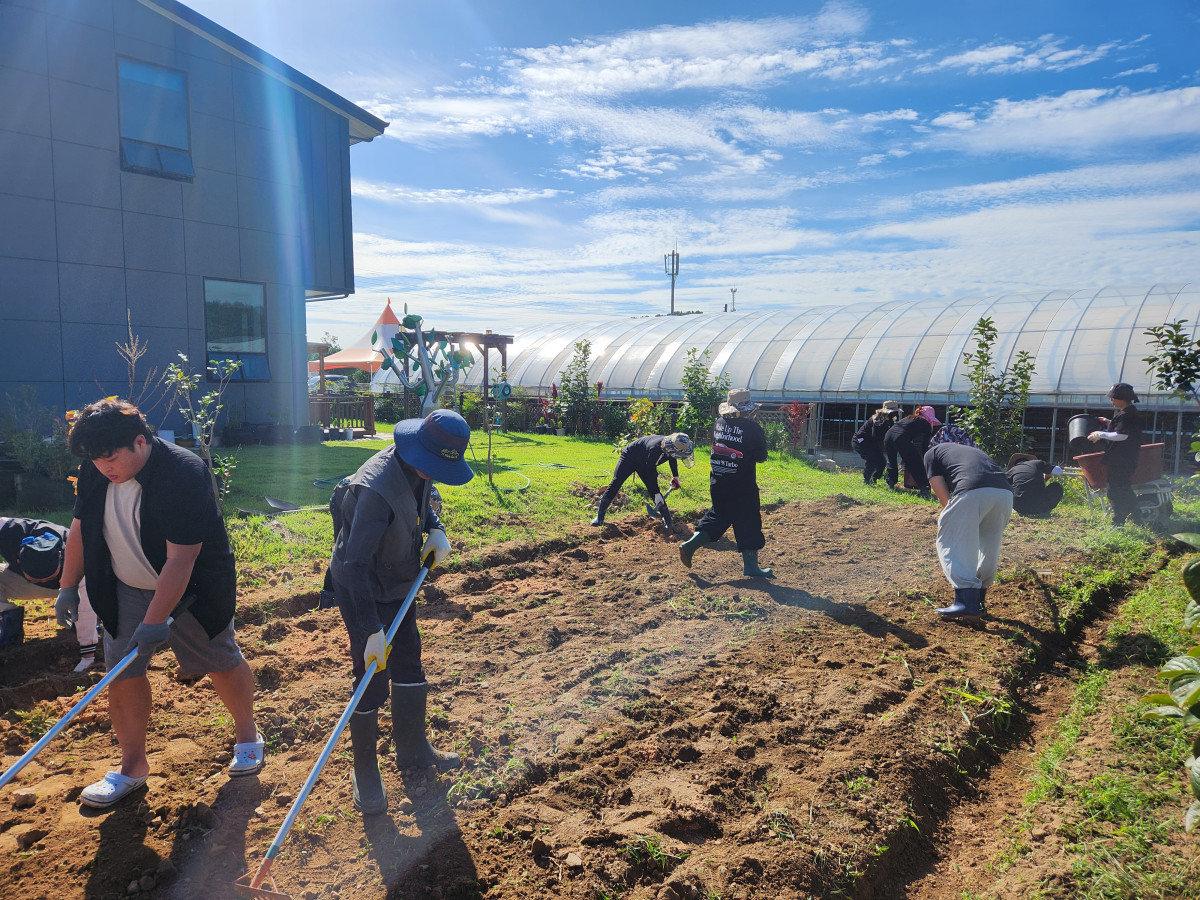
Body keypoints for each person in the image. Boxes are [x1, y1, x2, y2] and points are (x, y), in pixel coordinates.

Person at [56, 399, 262, 809]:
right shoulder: (96, 469)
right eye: (95, 461)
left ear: (140, 441)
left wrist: (155, 623)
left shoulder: (183, 473)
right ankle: (132, 766)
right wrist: (67, 585)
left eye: (111, 458)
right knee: (124, 673)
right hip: (125, 586)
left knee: (219, 660)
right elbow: (79, 527)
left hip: (192, 588)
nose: (104, 468)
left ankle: (247, 733)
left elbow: (181, 559)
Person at [327, 409, 473, 815]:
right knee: (371, 675)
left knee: (409, 657)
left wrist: (435, 526)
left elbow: (420, 501)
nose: (434, 473)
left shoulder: (416, 464)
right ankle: (365, 769)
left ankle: (412, 749)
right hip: (364, 589)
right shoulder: (374, 491)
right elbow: (354, 566)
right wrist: (369, 628)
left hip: (400, 580)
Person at [678, 389, 772, 577]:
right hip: (742, 485)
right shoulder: (752, 428)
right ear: (746, 409)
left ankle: (690, 545)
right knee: (748, 520)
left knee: (719, 515)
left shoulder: (719, 423)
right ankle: (751, 566)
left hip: (718, 481)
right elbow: (761, 457)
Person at [924, 428, 1014, 620]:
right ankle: (979, 601)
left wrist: (951, 517)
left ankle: (965, 602)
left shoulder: (933, 452)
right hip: (1004, 494)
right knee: (988, 546)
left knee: (951, 541)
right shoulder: (975, 452)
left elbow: (939, 488)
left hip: (973, 491)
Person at [0, 517, 99, 671]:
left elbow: (86, 605)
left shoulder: (78, 551)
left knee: (93, 588)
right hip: (21, 582)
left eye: (49, 577)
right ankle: (11, 626)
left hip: (74, 583)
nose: (44, 580)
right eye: (36, 578)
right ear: (18, 561)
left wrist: (88, 655)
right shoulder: (8, 532)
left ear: (60, 557)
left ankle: (90, 618)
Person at [591, 433, 694, 528]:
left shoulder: (671, 447)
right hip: (630, 457)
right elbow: (651, 472)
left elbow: (672, 458)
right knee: (616, 482)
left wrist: (675, 476)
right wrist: (657, 493)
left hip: (644, 461)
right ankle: (599, 517)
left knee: (652, 488)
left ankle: (667, 519)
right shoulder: (656, 449)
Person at [1087, 383, 1144, 526]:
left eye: (1113, 398)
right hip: (1122, 459)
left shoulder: (1128, 415)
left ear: (1122, 398)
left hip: (1122, 460)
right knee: (1123, 488)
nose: (1111, 400)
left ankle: (1118, 521)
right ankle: (1137, 516)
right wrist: (1108, 423)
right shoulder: (1125, 413)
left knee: (1115, 491)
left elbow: (1122, 436)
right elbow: (1121, 429)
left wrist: (1101, 434)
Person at [884, 406, 939, 498]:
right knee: (915, 462)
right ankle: (924, 488)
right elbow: (924, 446)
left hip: (888, 436)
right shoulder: (926, 424)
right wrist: (925, 460)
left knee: (892, 460)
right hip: (901, 438)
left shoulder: (908, 418)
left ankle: (891, 484)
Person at [852, 402, 901, 484]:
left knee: (882, 462)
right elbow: (876, 436)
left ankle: (874, 478)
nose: (895, 414)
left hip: (873, 443)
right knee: (872, 459)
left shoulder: (889, 421)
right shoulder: (878, 419)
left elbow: (891, 432)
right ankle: (866, 480)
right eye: (893, 412)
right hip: (861, 441)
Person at [1006, 453, 1065, 517]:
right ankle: (1044, 510)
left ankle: (1023, 512)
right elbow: (1059, 471)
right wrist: (1047, 474)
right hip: (1038, 505)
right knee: (1057, 486)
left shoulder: (1012, 471)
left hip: (1019, 507)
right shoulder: (1037, 463)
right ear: (1030, 461)